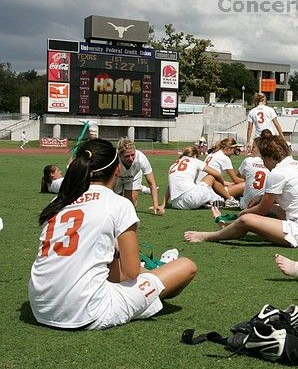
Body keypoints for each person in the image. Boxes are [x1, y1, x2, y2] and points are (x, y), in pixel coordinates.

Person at [28, 138, 197, 330]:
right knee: (186, 266)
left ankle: (150, 277)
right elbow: (130, 273)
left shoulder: (58, 202)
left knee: (112, 256)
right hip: (85, 311)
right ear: (117, 169)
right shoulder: (118, 203)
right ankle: (154, 279)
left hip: (40, 306)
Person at [184, 130, 298, 248]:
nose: (264, 165)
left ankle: (210, 236)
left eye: (263, 160)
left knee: (247, 219)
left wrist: (241, 213)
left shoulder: (278, 173)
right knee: (275, 209)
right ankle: (230, 226)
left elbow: (261, 210)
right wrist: (261, 198)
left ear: (269, 158)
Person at [161, 146, 238, 210]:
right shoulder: (194, 160)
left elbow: (170, 186)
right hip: (192, 197)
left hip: (178, 204)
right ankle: (230, 200)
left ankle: (208, 203)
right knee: (211, 176)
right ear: (194, 155)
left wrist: (163, 204)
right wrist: (221, 186)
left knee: (200, 188)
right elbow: (217, 174)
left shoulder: (173, 165)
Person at [114, 138, 163, 215]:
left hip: (133, 177)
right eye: (127, 156)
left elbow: (152, 183)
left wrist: (155, 205)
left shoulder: (141, 158)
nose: (131, 158)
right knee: (114, 206)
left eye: (133, 155)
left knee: (130, 208)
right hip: (116, 178)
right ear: (120, 155)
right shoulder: (113, 159)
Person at [237, 137, 270, 209]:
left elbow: (237, 177)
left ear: (260, 149)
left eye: (253, 147)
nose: (251, 149)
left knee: (243, 185)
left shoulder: (248, 161)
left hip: (246, 204)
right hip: (264, 204)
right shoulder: (271, 164)